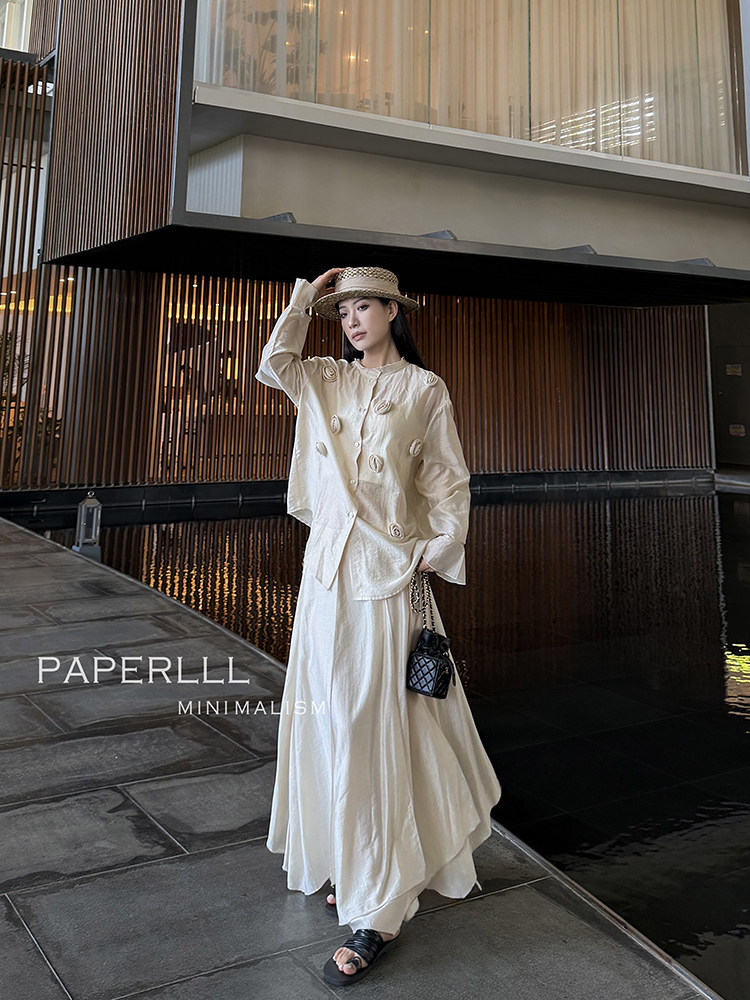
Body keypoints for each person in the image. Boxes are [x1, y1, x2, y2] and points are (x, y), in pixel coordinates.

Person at [255, 265, 502, 987]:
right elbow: (275, 363)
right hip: (325, 578)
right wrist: (305, 298)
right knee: (330, 718)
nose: (353, 320)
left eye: (364, 307)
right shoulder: (324, 378)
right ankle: (353, 861)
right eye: (344, 312)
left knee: (377, 722)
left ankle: (381, 909)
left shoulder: (424, 390)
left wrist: (440, 544)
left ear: (394, 311)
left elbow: (447, 479)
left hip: (389, 574)